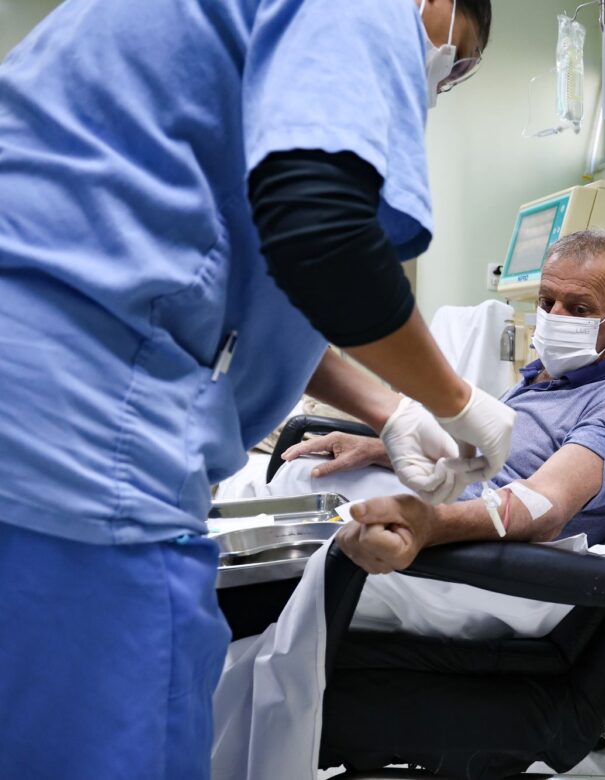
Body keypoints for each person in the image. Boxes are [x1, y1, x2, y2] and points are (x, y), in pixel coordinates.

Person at [0, 1, 512, 778]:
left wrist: (391, 408)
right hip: (82, 437)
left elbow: (244, 293)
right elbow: (323, 237)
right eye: (456, 58)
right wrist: (456, 401)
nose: (440, 78)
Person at [268, 229, 605, 638]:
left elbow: (543, 506)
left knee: (292, 570)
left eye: (579, 309)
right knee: (301, 478)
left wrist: (430, 525)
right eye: (547, 302)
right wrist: (378, 449)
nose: (555, 317)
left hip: (491, 569)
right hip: (458, 522)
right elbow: (482, 469)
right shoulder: (539, 380)